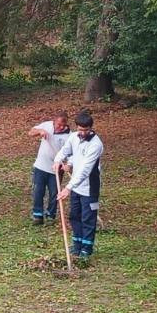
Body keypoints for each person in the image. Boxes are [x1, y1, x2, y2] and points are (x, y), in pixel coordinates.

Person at [56, 110, 105, 264]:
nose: (82, 133)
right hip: (76, 186)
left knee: (88, 218)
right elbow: (67, 150)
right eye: (80, 129)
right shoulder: (74, 137)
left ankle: (87, 247)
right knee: (74, 216)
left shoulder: (96, 144)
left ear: (91, 128)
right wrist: (59, 160)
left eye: (86, 130)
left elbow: (85, 169)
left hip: (90, 187)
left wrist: (68, 188)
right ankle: (77, 243)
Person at [28, 113, 71, 226]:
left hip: (56, 168)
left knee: (54, 193)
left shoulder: (69, 136)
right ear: (54, 121)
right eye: (59, 124)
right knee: (38, 191)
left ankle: (50, 215)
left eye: (63, 125)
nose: (61, 127)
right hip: (41, 166)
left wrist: (68, 164)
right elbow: (31, 132)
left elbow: (71, 153)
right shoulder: (46, 125)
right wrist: (40, 131)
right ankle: (38, 215)